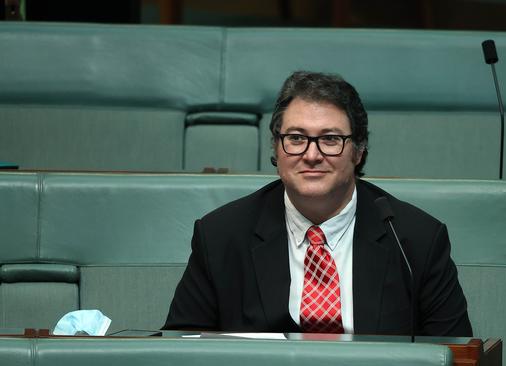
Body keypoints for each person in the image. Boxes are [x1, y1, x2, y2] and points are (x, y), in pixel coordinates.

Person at [163, 71, 472, 336]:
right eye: (296, 138)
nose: (311, 155)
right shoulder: (221, 236)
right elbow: (180, 348)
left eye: (330, 139)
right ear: (277, 147)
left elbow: (455, 354)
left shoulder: (416, 240)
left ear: (358, 151)